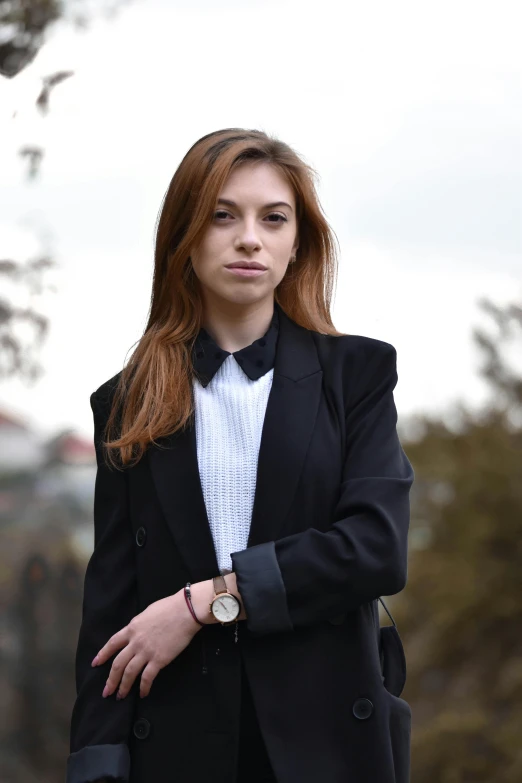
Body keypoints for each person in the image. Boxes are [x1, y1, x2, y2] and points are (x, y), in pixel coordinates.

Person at [66, 128, 415, 783]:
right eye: (223, 215)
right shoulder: (127, 401)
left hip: (328, 741)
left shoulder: (358, 374)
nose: (249, 237)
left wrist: (206, 601)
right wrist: (95, 761)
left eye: (273, 218)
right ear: (185, 237)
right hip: (172, 745)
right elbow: (110, 609)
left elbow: (376, 547)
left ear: (296, 243)